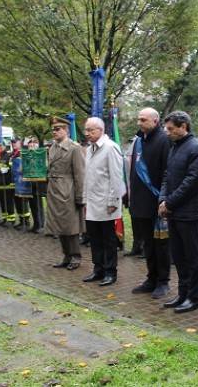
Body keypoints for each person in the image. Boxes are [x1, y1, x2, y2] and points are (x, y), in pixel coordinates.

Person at [159, 111, 198, 313]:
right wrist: (162, 198)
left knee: (193, 258)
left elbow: (192, 182)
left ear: (183, 126)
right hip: (174, 212)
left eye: (170, 129)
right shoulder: (175, 147)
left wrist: (169, 202)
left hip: (191, 213)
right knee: (178, 256)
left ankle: (193, 298)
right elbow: (167, 176)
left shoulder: (196, 148)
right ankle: (182, 294)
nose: (166, 132)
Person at [129, 108, 172, 299]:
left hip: (156, 203)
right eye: (138, 119)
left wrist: (163, 198)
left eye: (143, 119)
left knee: (160, 244)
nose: (139, 122)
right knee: (147, 243)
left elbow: (167, 172)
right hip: (140, 203)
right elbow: (133, 172)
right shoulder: (139, 141)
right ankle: (151, 278)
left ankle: (163, 281)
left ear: (155, 121)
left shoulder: (164, 140)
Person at [82, 117, 125, 287]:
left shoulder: (110, 148)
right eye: (86, 130)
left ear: (100, 130)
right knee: (95, 239)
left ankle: (110, 271)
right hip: (92, 203)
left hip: (107, 203)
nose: (87, 133)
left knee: (108, 240)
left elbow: (116, 177)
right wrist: (85, 199)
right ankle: (98, 269)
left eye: (91, 130)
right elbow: (88, 177)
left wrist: (113, 200)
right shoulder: (90, 149)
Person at [45, 117, 86, 270]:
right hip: (55, 190)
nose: (54, 132)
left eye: (58, 129)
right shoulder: (53, 148)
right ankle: (66, 255)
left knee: (71, 226)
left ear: (66, 130)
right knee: (59, 225)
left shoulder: (74, 148)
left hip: (68, 190)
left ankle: (75, 255)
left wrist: (80, 195)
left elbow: (80, 174)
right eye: (53, 129)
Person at [11, 139, 32, 231]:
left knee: (23, 202)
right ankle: (21, 220)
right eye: (12, 143)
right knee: (18, 202)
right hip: (15, 181)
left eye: (15, 142)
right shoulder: (13, 154)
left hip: (23, 182)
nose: (13, 144)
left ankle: (26, 222)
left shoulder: (24, 153)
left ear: (20, 143)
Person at [27, 136, 46, 234]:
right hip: (30, 184)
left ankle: (40, 224)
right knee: (33, 205)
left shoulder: (40, 155)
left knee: (38, 205)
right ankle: (35, 223)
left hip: (39, 184)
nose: (31, 146)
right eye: (30, 144)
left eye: (33, 144)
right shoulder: (27, 156)